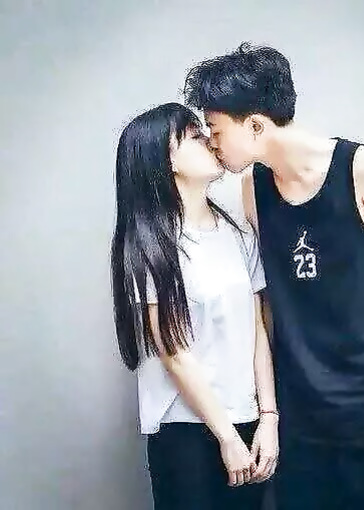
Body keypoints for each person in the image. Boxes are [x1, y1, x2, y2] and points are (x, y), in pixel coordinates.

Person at [183, 43, 364, 509]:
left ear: (255, 126)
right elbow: (267, 301)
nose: (212, 143)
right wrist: (270, 412)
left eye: (216, 131)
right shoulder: (254, 188)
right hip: (302, 416)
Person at [110, 102, 278, 510]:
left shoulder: (238, 232)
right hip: (186, 429)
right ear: (165, 161)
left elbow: (258, 327)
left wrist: (269, 417)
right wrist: (226, 437)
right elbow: (175, 354)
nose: (210, 141)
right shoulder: (149, 245)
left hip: (247, 419)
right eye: (194, 136)